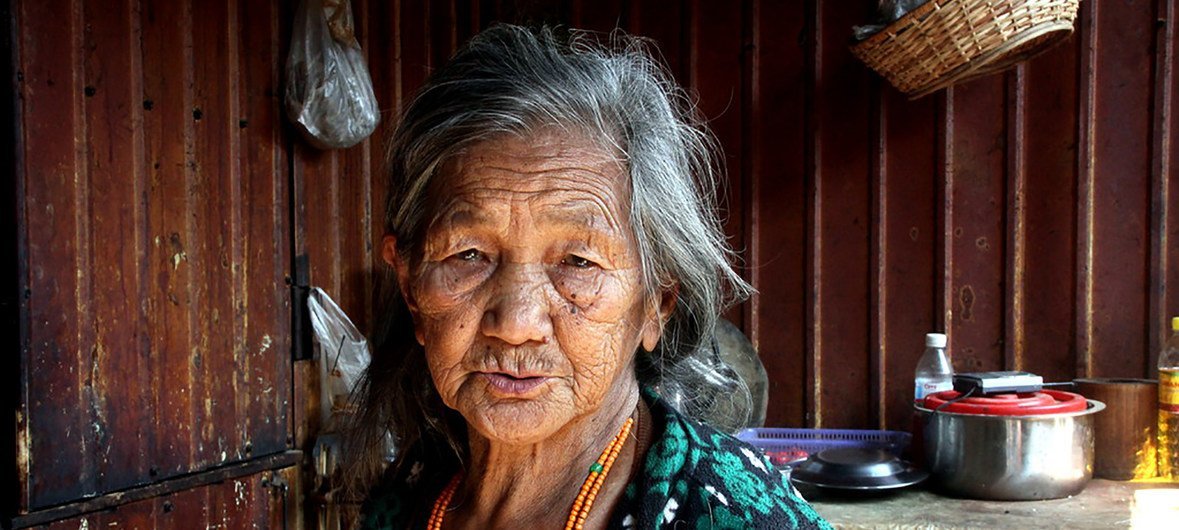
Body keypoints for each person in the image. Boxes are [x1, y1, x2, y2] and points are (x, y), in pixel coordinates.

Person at [346, 24, 831, 530]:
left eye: (579, 262)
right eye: (468, 254)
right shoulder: (406, 497)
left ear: (656, 303)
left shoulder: (732, 516)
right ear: (410, 287)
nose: (516, 323)